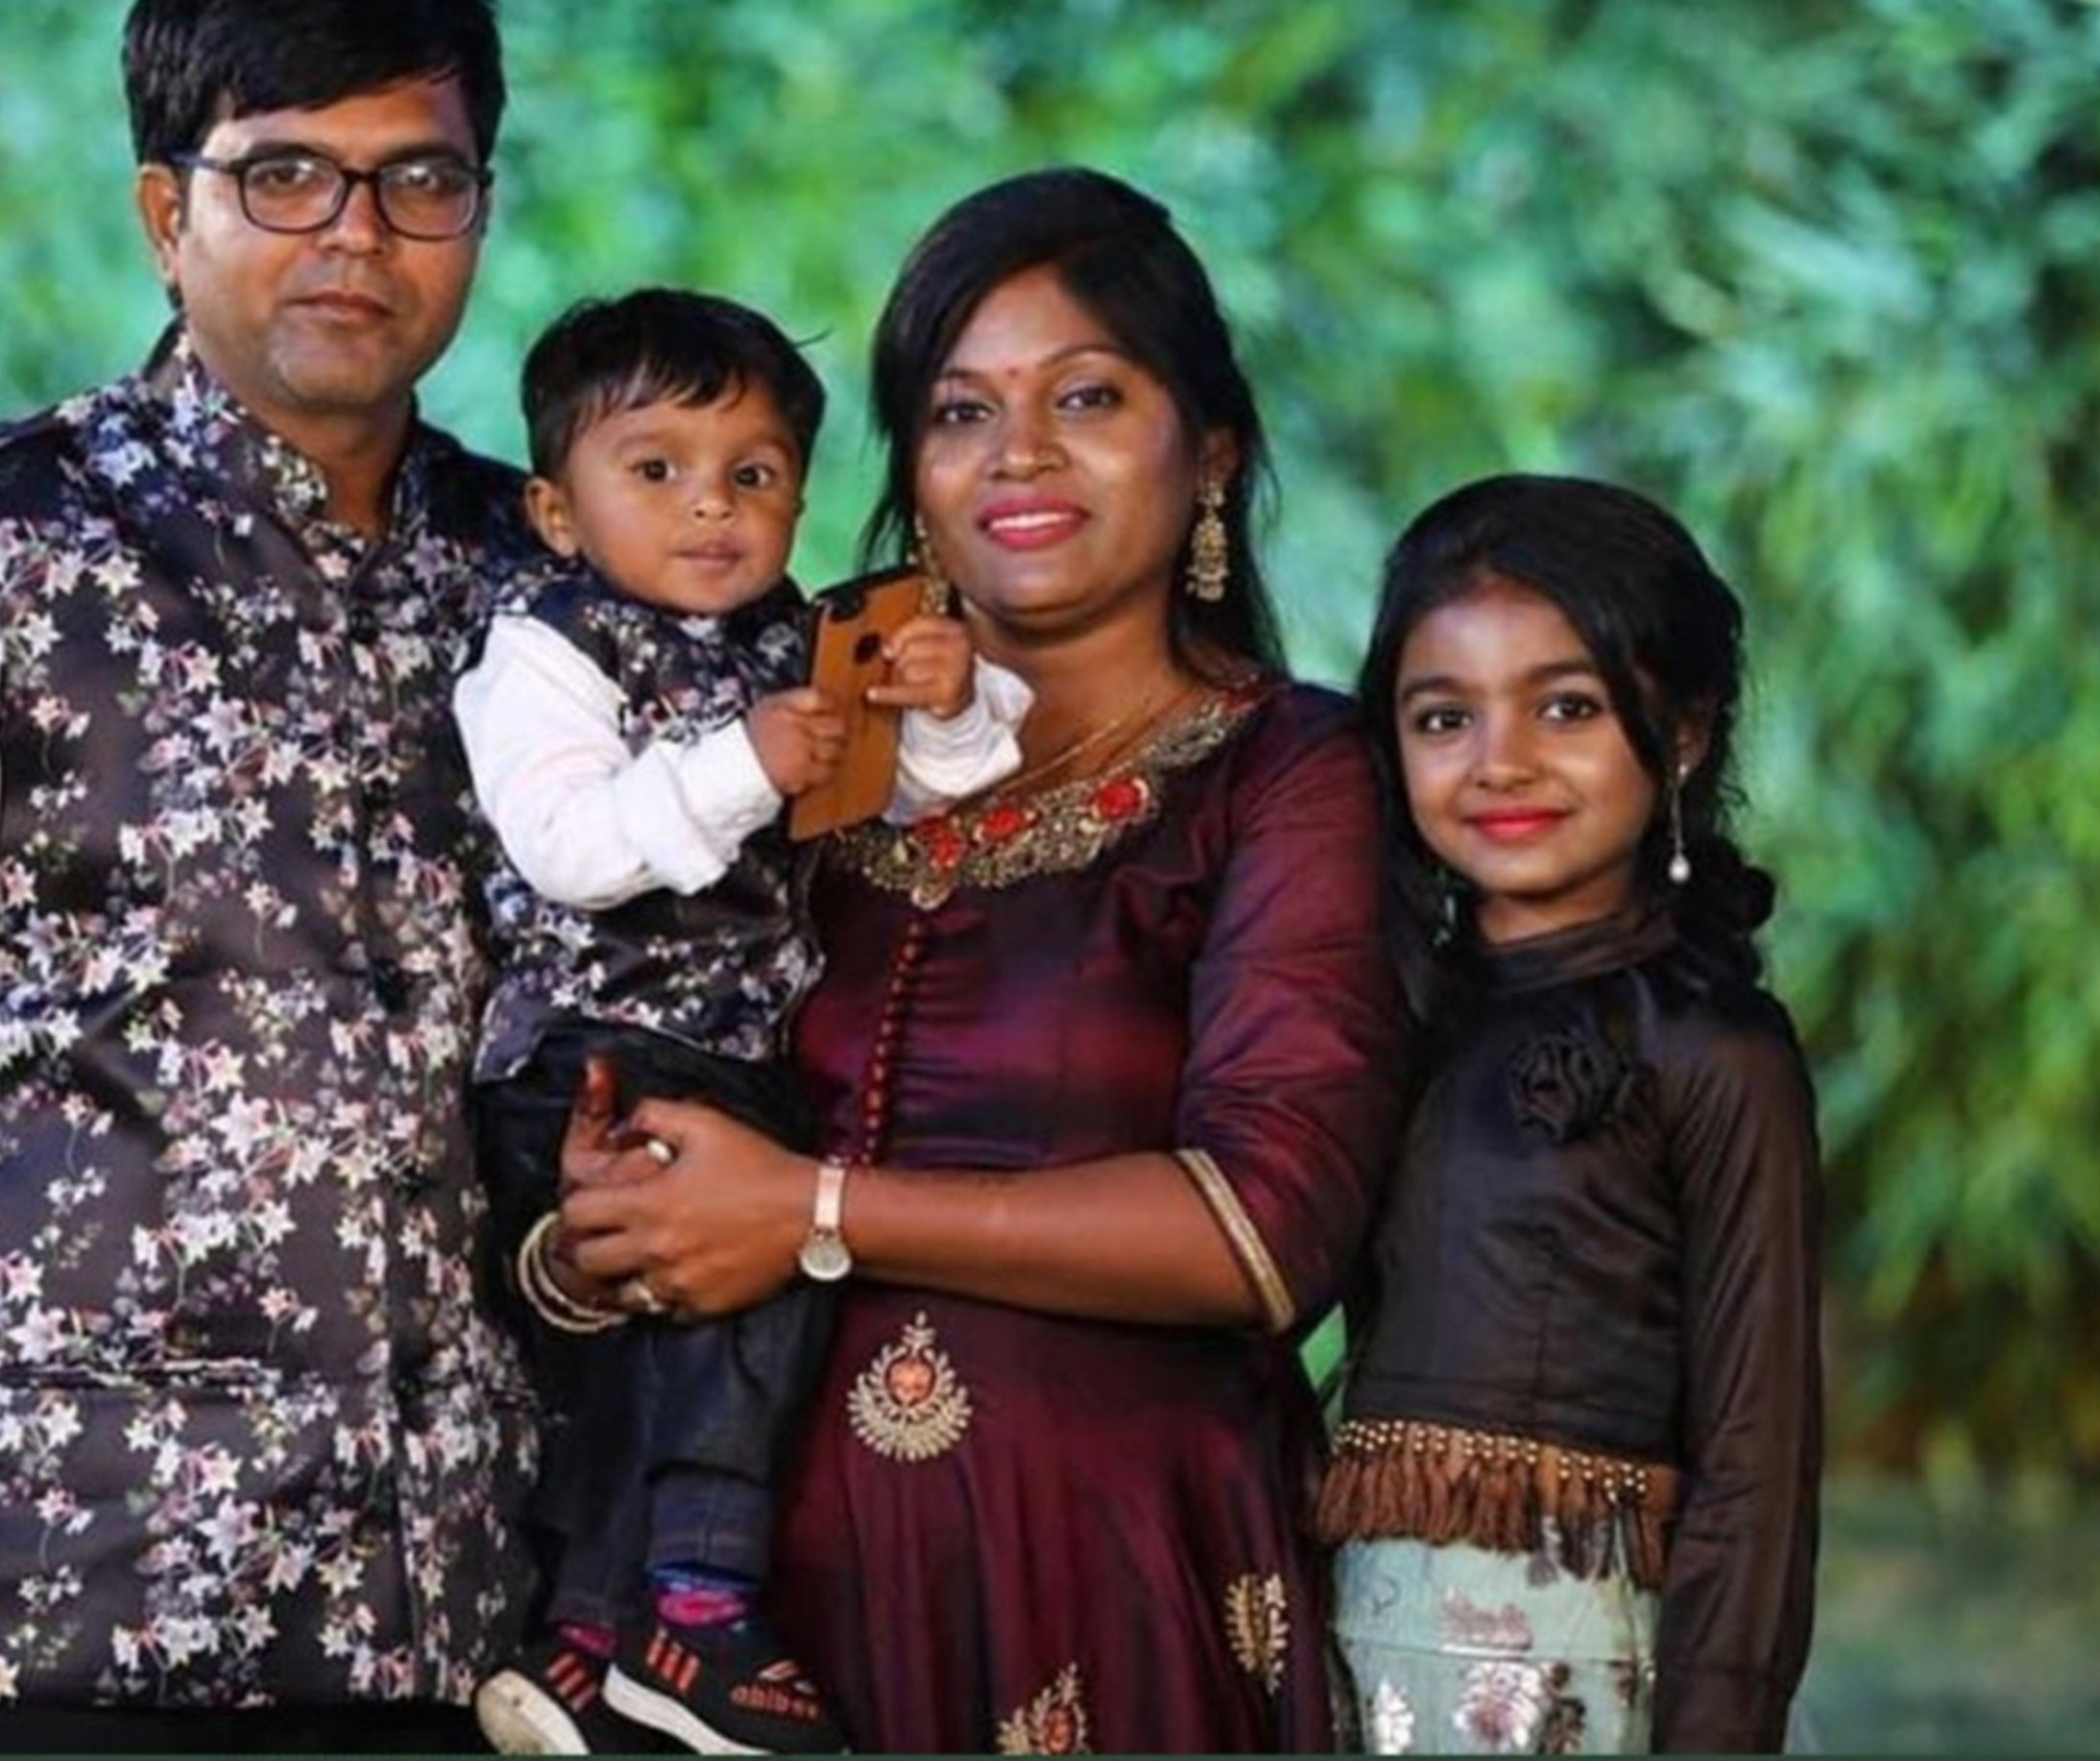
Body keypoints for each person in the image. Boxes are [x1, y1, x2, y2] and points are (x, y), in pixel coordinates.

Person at [0, 0, 541, 1754]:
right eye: (285, 174)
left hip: (455, 1620)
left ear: (479, 207)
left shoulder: (542, 582)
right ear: (169, 213)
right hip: (42, 1619)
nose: (355, 237)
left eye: (418, 180)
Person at [539, 167, 1411, 1752]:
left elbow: (1268, 1228)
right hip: (743, 1642)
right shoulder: (785, 766)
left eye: (1088, 395)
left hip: (1112, 1587)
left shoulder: (1283, 771)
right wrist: (602, 1240)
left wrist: (803, 1212)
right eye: (958, 413)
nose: (1018, 454)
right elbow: (629, 1095)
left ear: (1209, 451)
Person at [454, 288, 1029, 1754]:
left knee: (687, 1320)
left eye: (755, 475)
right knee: (716, 1312)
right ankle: (697, 1609)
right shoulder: (545, 644)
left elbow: (922, 796)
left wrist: (947, 708)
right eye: (656, 470)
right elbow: (571, 846)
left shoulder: (799, 641)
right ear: (558, 508)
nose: (711, 508)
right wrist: (738, 766)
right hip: (588, 1051)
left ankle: (584, 1638)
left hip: (732, 1059)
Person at [1313, 473, 1822, 1753]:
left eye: (1568, 705)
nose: (1502, 763)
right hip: (1349, 1654)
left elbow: (1758, 1455)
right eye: (1444, 716)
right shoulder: (1381, 1017)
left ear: (1687, 730)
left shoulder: (1713, 1049)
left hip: (1579, 1676)